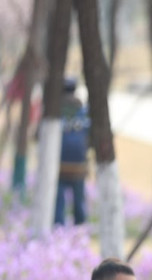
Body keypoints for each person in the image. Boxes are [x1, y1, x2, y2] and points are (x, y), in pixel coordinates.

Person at [55, 77, 91, 227]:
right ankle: (80, 229)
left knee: (58, 202)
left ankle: (58, 227)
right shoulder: (83, 112)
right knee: (79, 201)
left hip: (58, 165)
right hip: (79, 166)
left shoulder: (54, 112)